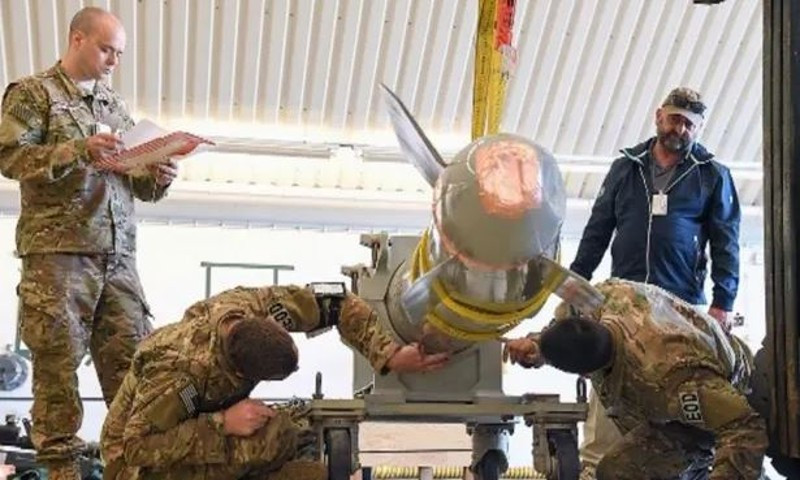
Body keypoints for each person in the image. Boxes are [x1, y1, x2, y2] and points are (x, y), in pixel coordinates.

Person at [0, 7, 191, 480]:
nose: (113, 61)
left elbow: (137, 185)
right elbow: (9, 156)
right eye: (106, 49)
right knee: (57, 365)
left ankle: (132, 465)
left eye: (119, 54)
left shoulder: (113, 106)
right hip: (59, 256)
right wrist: (76, 150)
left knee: (136, 364)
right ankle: (60, 469)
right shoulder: (34, 94)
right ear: (77, 39)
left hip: (118, 258)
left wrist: (159, 173)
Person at [101, 284, 450, 480]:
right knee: (265, 443)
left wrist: (388, 353)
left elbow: (335, 302)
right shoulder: (177, 374)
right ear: (240, 376)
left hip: (192, 423)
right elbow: (137, 446)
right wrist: (222, 423)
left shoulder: (254, 306)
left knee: (288, 430)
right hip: (135, 465)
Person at [568, 87, 742, 478]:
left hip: (680, 309)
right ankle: (596, 470)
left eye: (689, 123)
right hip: (621, 306)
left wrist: (723, 303)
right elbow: (597, 230)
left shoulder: (713, 174)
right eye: (674, 118)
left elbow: (726, 241)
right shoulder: (625, 168)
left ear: (698, 128)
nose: (680, 128)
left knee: (681, 406)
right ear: (658, 116)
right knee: (608, 396)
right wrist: (575, 288)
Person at [504, 279, 767, 480]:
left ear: (585, 374)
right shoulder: (601, 299)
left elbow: (742, 425)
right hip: (684, 391)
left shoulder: (668, 377)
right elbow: (567, 321)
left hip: (728, 388)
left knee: (625, 470)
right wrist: (538, 345)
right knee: (615, 470)